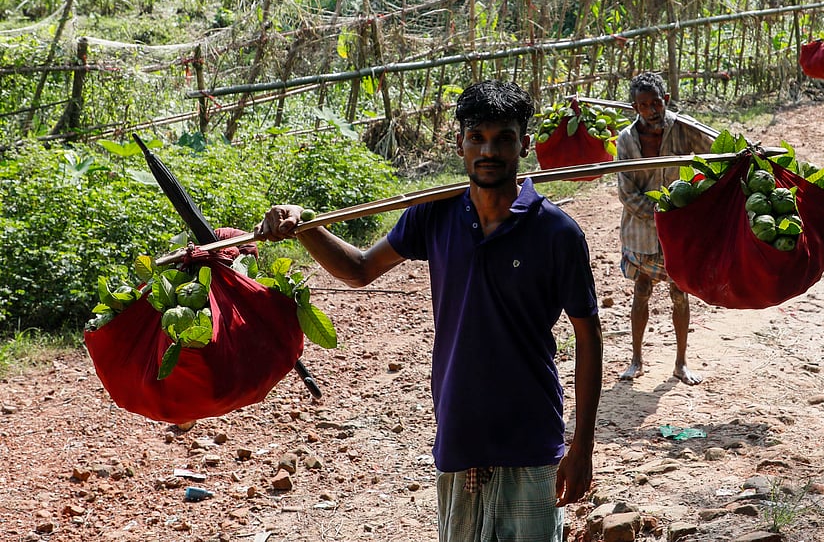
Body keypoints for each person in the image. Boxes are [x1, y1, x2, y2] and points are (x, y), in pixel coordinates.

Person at [256, 80, 602, 542]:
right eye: (477, 137)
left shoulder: (557, 232)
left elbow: (588, 335)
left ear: (525, 144)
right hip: (459, 435)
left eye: (503, 138)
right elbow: (359, 269)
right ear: (459, 143)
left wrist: (582, 446)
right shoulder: (435, 215)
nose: (489, 150)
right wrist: (304, 226)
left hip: (531, 438)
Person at [615, 72, 712, 386]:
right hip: (641, 231)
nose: (652, 110)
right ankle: (636, 360)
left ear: (665, 100)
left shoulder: (684, 128)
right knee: (641, 291)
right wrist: (656, 212)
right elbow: (626, 192)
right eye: (644, 105)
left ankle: (681, 363)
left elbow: (715, 153)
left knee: (680, 292)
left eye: (656, 102)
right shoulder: (626, 140)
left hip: (678, 230)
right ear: (635, 108)